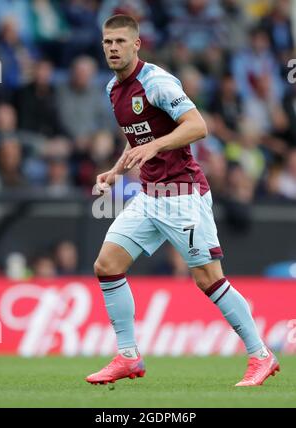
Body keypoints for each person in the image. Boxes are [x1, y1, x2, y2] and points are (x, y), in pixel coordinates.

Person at [86, 14, 280, 387]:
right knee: (107, 265)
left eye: (120, 42)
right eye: (107, 42)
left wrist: (157, 145)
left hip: (183, 194)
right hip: (149, 194)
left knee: (208, 278)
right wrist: (115, 171)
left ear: (136, 44)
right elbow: (139, 138)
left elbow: (198, 126)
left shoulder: (156, 82)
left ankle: (261, 354)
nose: (112, 48)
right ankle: (128, 356)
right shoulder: (113, 88)